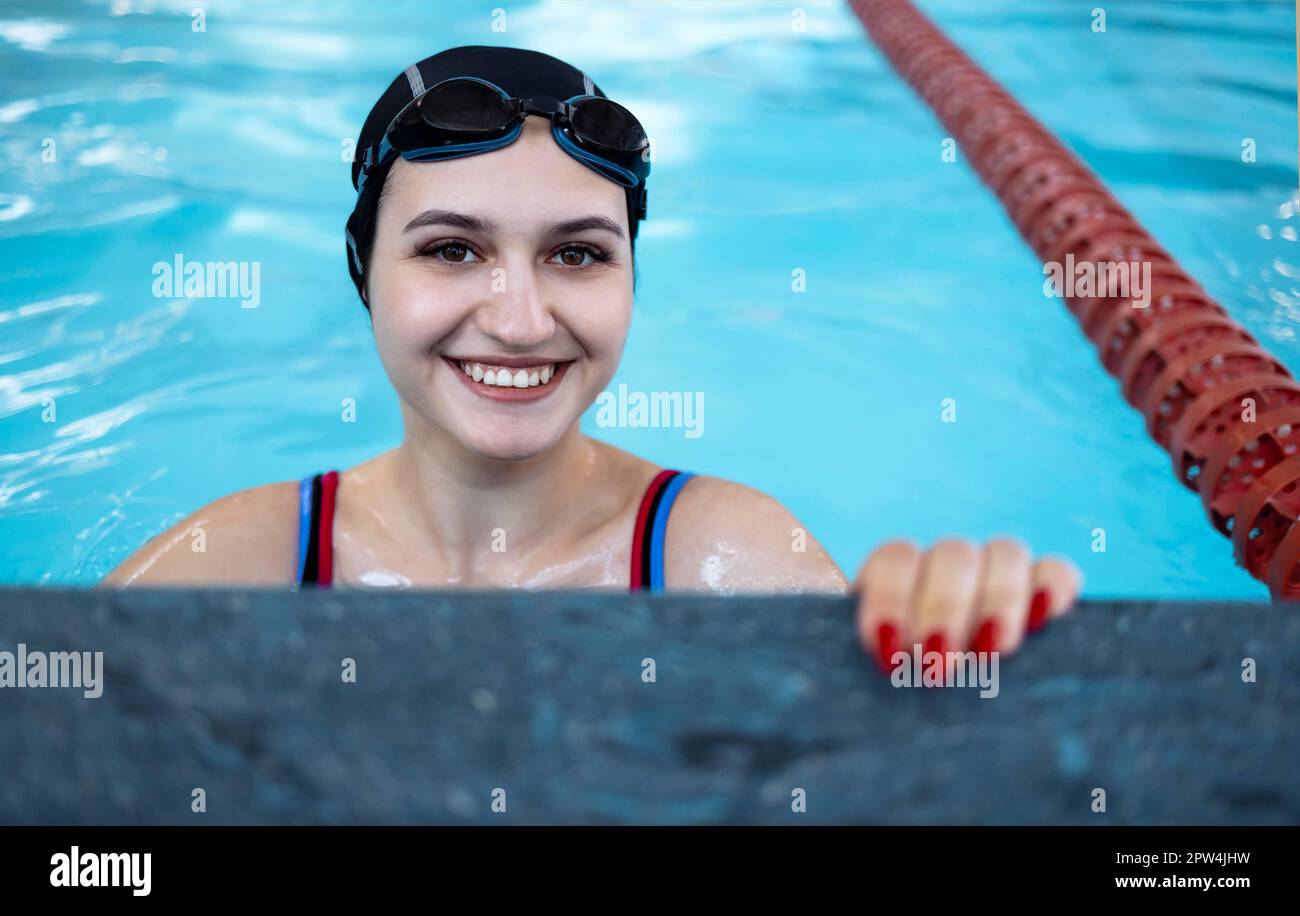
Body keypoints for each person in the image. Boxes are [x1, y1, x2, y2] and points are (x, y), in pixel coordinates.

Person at [102, 46, 1082, 675]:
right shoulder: (246, 560)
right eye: (452, 249)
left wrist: (948, 654)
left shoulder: (714, 555)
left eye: (577, 254)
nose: (522, 321)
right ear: (365, 272)